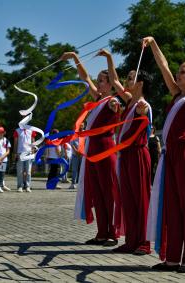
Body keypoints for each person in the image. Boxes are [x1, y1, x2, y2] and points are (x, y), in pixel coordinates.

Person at [144, 36, 185, 273]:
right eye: (179, 71)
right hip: (170, 156)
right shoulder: (176, 93)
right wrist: (152, 43)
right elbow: (163, 66)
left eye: (184, 71)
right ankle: (171, 258)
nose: (178, 74)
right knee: (171, 206)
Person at [60, 51, 122, 247]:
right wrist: (75, 58)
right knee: (97, 192)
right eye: (99, 81)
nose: (99, 83)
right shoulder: (97, 99)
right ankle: (102, 232)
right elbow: (84, 78)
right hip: (92, 150)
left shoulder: (113, 102)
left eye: (103, 81)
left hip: (105, 149)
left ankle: (113, 233)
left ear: (110, 83)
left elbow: (115, 79)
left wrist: (109, 58)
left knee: (108, 192)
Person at [99, 49, 153, 255]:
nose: (127, 80)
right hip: (126, 156)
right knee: (128, 199)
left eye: (131, 78)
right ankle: (131, 240)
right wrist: (109, 58)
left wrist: (142, 112)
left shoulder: (143, 104)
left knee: (141, 199)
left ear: (140, 83)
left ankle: (144, 243)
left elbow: (143, 113)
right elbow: (114, 79)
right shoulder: (129, 100)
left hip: (139, 154)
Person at [13, 126, 36, 193]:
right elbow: (15, 142)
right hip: (20, 153)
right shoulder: (17, 130)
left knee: (28, 171)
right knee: (20, 171)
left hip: (29, 153)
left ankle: (27, 186)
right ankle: (20, 186)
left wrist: (33, 153)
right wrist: (15, 153)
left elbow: (33, 141)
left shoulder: (31, 130)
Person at [69, 123, 85, 190]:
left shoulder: (85, 132)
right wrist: (76, 151)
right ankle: (73, 183)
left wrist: (82, 152)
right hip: (75, 154)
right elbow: (72, 143)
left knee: (82, 170)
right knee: (74, 170)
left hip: (83, 154)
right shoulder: (74, 133)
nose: (81, 127)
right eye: (80, 126)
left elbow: (86, 142)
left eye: (82, 126)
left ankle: (81, 183)